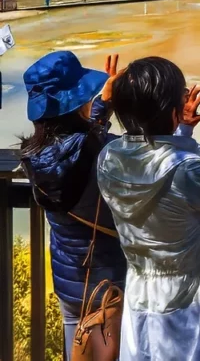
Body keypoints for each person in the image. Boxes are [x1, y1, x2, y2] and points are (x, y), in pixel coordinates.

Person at [97, 57, 200, 360]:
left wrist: (179, 131)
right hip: (197, 308)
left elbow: (154, 158)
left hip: (142, 299)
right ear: (174, 111)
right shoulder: (187, 170)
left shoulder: (109, 158)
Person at [19, 52, 127, 360]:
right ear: (76, 102)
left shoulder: (33, 156)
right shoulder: (106, 152)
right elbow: (95, 147)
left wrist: (101, 109)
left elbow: (77, 147)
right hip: (110, 279)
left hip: (69, 281)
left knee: (77, 346)